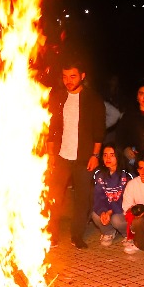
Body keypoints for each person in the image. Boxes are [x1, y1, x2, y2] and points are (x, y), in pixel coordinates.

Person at [46, 61, 105, 248]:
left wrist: (95, 156)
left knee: (82, 199)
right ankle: (51, 234)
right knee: (55, 196)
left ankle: (76, 235)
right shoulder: (58, 97)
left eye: (72, 76)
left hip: (83, 157)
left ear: (82, 76)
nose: (68, 81)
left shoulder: (93, 99)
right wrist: (50, 154)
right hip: (62, 156)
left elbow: (99, 131)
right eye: (64, 76)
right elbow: (51, 126)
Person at [91, 145, 132, 247]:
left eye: (112, 155)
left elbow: (126, 199)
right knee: (95, 215)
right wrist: (103, 211)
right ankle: (108, 232)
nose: (108, 158)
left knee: (116, 220)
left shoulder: (127, 175)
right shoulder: (99, 174)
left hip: (123, 210)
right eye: (105, 155)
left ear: (118, 157)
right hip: (109, 209)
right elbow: (99, 196)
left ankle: (128, 235)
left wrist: (110, 211)